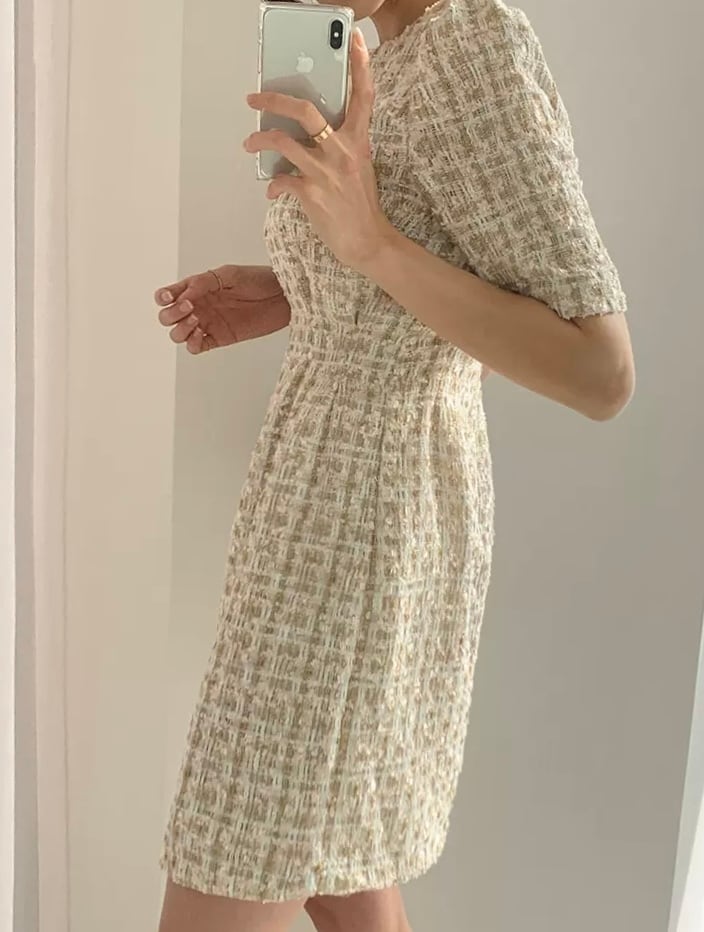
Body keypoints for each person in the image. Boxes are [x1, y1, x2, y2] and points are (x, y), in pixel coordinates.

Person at [153, 0, 635, 929]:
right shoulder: (387, 48)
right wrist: (300, 292)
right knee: (331, 857)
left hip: (366, 524)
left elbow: (600, 369)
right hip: (318, 502)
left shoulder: (474, 47)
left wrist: (368, 244)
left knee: (254, 843)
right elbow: (436, 272)